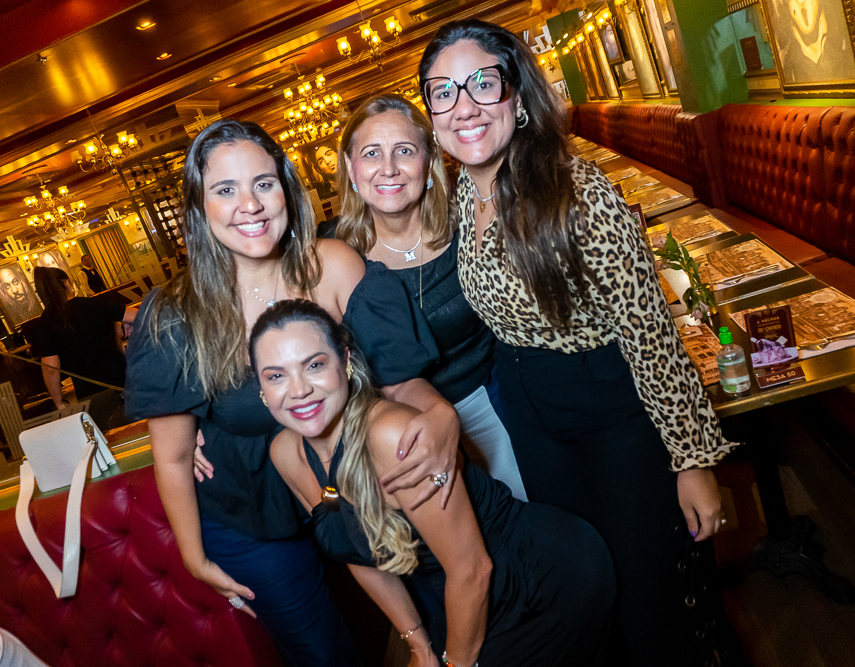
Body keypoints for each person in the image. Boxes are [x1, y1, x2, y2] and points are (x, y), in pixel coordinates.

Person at [419, 20, 739, 666]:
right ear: (431, 115)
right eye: (443, 92)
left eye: (483, 82)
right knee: (591, 590)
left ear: (515, 92)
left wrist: (692, 459)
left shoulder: (577, 189)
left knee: (651, 605)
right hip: (534, 420)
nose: (466, 106)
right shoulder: (457, 197)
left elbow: (649, 330)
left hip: (612, 414)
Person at [124, 119, 461, 667]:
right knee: (324, 653)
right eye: (224, 190)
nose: (249, 205)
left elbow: (400, 377)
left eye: (263, 183)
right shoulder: (173, 315)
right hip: (245, 510)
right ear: (199, 209)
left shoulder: (333, 264)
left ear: (286, 186)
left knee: (440, 610)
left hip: (352, 480)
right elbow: (174, 453)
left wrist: (439, 415)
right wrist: (193, 556)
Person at [252, 299, 616, 667]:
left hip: (534, 580)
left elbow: (473, 569)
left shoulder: (391, 436)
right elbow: (356, 553)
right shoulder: (286, 453)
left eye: (314, 365)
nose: (298, 390)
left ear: (345, 362)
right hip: (461, 598)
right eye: (276, 375)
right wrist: (418, 644)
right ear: (262, 390)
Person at [332, 93, 526, 500]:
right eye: (371, 153)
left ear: (429, 162)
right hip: (399, 431)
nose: (388, 168)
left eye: (404, 150)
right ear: (351, 167)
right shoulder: (332, 255)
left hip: (496, 403)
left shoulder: (470, 222)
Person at [31, 266, 134, 423]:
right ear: (67, 283)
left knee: (111, 434)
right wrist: (123, 321)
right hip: (123, 379)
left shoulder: (45, 324)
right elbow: (143, 314)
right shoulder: (95, 304)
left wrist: (59, 403)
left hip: (90, 393)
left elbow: (50, 368)